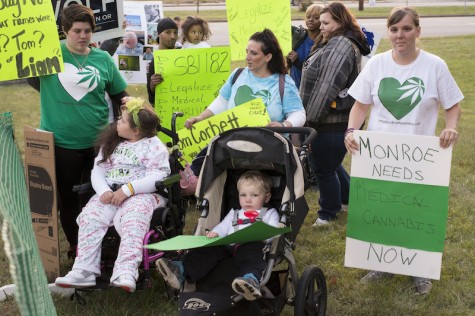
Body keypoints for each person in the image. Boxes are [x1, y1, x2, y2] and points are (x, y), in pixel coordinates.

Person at [344, 7, 463, 295]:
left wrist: (451, 127)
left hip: (418, 157)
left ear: (418, 32)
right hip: (379, 156)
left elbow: (452, 105)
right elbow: (361, 104)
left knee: (415, 211)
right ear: (389, 31)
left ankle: (419, 270)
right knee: (383, 208)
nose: (400, 35)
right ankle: (382, 263)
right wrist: (350, 131)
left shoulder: (435, 66)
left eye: (407, 29)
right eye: (395, 29)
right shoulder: (377, 65)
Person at [26, 4, 128, 259]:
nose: (83, 36)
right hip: (62, 144)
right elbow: (31, 78)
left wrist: (131, 109)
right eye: (77, 31)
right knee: (69, 198)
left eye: (88, 31)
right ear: (64, 31)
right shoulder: (49, 56)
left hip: (98, 142)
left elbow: (118, 94)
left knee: (97, 196)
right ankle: (76, 245)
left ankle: (99, 244)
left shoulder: (102, 59)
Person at [55, 98, 171, 292]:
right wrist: (103, 191)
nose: (117, 122)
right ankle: (84, 270)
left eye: (123, 121)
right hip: (111, 191)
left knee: (134, 218)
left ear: (136, 131)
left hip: (142, 194)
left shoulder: (153, 146)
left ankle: (126, 271)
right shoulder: (111, 143)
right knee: (90, 217)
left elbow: (159, 174)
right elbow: (97, 170)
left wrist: (128, 190)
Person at [156, 170, 279, 300]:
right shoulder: (235, 212)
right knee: (206, 250)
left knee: (252, 256)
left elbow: (274, 230)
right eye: (243, 195)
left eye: (254, 195)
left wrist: (264, 237)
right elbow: (224, 226)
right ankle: (180, 271)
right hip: (229, 244)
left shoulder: (269, 213)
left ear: (266, 197)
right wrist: (216, 232)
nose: (248, 200)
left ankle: (250, 280)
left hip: (252, 244)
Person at [299, 2, 370, 226]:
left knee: (323, 169)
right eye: (320, 22)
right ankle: (348, 197)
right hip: (329, 121)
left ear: (341, 22)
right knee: (330, 163)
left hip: (328, 122)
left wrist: (309, 123)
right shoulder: (336, 41)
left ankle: (328, 212)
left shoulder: (340, 45)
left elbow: (326, 86)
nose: (321, 27)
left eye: (326, 23)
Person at [185, 28, 306, 130]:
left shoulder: (284, 82)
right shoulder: (237, 74)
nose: (247, 57)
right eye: (246, 52)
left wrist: (283, 125)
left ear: (268, 57)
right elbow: (222, 101)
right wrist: (200, 118)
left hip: (270, 152)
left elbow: (298, 114)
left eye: (253, 53)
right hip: (235, 149)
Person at [287, 4, 322, 89]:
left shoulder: (323, 43)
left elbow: (317, 72)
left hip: (309, 91)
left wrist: (296, 61)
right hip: (292, 88)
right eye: (308, 17)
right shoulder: (298, 35)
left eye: (316, 18)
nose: (311, 20)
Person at [147, 17, 180, 105]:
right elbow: (152, 101)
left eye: (175, 32)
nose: (173, 36)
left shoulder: (182, 56)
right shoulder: (154, 63)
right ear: (159, 34)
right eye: (168, 32)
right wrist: (152, 87)